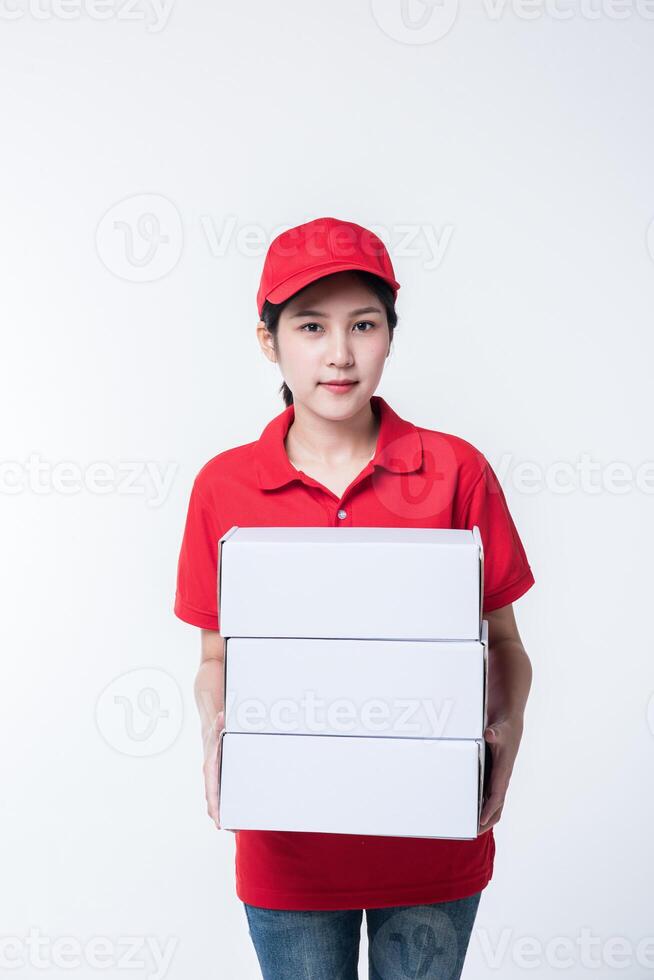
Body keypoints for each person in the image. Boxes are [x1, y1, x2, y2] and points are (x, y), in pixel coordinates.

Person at [173, 216, 536, 980]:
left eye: (362, 325)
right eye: (311, 326)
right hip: (288, 852)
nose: (339, 354)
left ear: (390, 336)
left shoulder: (455, 470)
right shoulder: (223, 486)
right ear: (270, 340)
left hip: (436, 842)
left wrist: (505, 728)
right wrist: (215, 733)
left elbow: (503, 641)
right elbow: (215, 655)